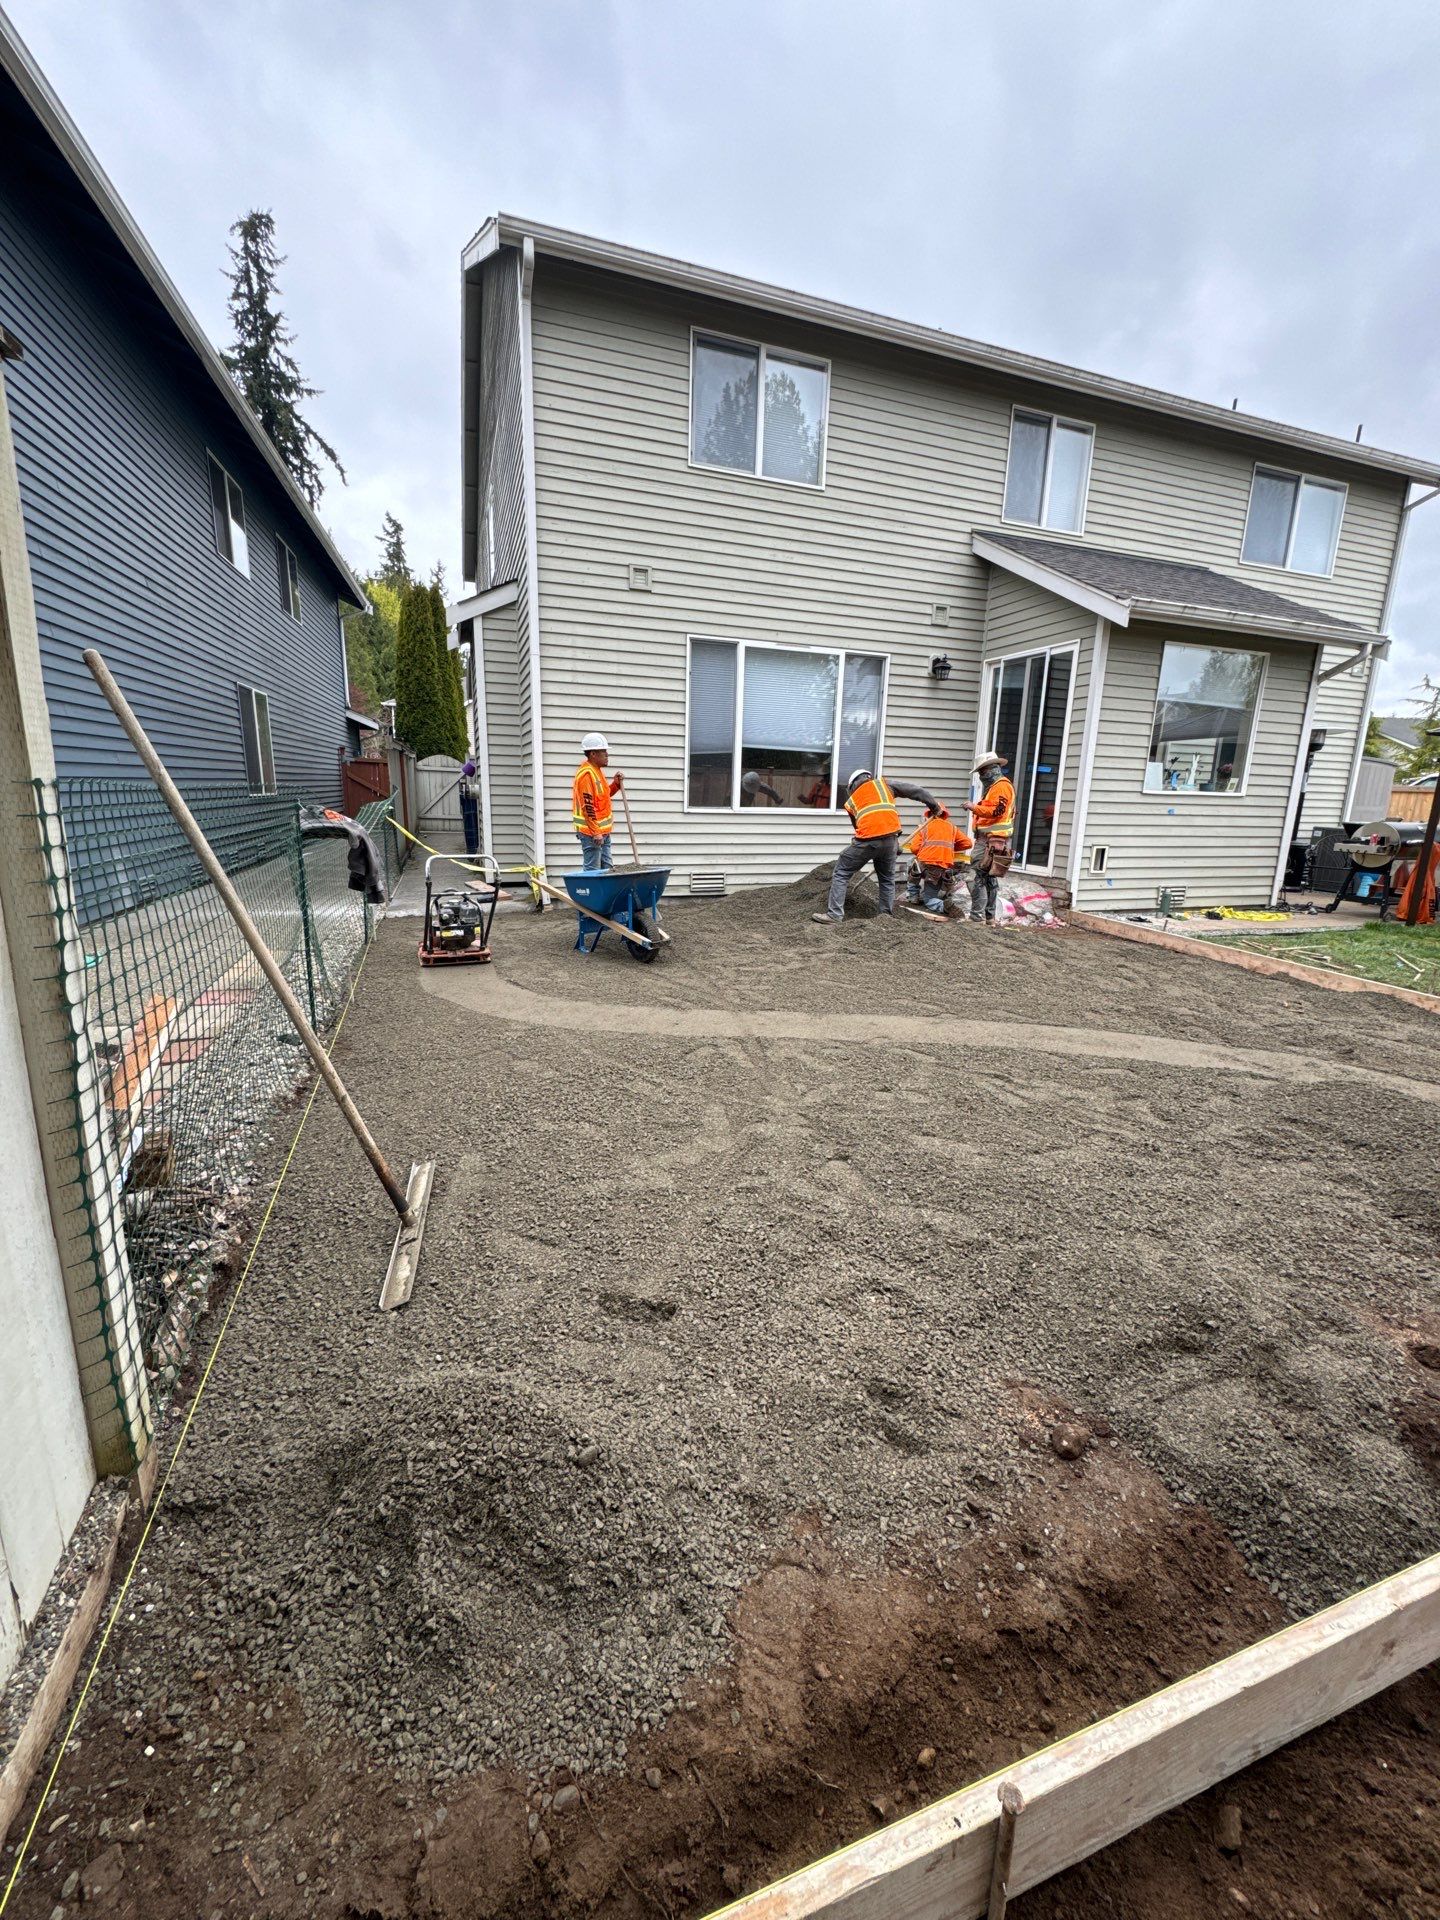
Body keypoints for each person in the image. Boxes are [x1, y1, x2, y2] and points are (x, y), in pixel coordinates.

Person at [811, 769, 939, 923]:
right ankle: (885, 917)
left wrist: (859, 847)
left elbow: (860, 828)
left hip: (867, 841)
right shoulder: (884, 785)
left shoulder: (851, 801)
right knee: (886, 879)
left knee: (842, 871)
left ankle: (834, 915)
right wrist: (934, 807)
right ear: (868, 777)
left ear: (852, 786)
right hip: (890, 840)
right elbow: (916, 791)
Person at [964, 751, 1016, 924]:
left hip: (990, 840)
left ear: (990, 769)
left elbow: (997, 811)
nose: (980, 776)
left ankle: (976, 917)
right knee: (988, 877)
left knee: (976, 876)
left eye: (982, 772)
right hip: (993, 840)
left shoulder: (1001, 786)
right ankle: (989, 917)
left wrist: (974, 807)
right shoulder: (996, 787)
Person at [904, 804, 973, 916]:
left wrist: (926, 850)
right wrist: (949, 848)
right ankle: (942, 901)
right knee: (931, 895)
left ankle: (914, 897)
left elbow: (914, 848)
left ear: (929, 814)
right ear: (944, 815)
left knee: (912, 863)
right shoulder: (952, 828)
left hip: (924, 865)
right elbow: (968, 843)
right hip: (941, 869)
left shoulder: (924, 827)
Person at [572, 732, 623, 870]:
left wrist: (615, 785)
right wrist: (596, 832)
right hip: (591, 833)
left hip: (603, 831)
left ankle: (606, 892)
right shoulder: (587, 775)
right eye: (603, 751)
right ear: (593, 754)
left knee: (607, 868)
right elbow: (587, 806)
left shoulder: (597, 771)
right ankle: (591, 892)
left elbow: (603, 797)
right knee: (593, 870)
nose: (607, 755)